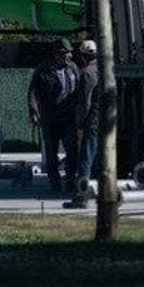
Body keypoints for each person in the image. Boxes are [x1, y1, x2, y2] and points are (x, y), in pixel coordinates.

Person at [28, 38, 79, 195]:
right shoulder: (43, 70)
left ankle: (70, 180)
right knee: (51, 152)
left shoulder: (73, 68)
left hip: (68, 117)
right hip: (50, 118)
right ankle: (55, 182)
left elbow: (80, 89)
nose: (69, 56)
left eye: (69, 52)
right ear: (57, 54)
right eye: (65, 53)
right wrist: (33, 111)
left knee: (72, 150)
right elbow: (33, 92)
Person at [65, 39, 100, 208]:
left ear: (84, 56)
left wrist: (81, 122)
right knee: (99, 159)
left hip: (92, 120)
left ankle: (81, 196)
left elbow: (85, 101)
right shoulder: (106, 70)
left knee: (85, 160)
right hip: (105, 120)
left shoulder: (86, 73)